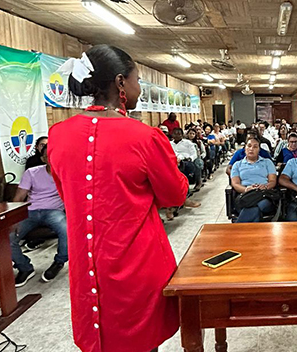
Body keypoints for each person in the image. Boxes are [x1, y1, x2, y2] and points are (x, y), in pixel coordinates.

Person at [48, 45, 188, 352]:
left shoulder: (58, 135)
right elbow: (174, 194)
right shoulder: (144, 136)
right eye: (138, 80)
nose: (139, 88)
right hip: (136, 263)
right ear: (121, 83)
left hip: (88, 269)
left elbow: (68, 194)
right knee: (140, 342)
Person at [11, 144, 68, 286]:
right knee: (6, 237)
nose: (52, 159)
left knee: (66, 230)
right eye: (48, 156)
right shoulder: (32, 172)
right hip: (30, 211)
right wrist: (13, 220)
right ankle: (24, 268)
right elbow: (18, 198)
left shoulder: (66, 173)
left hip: (54, 212)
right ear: (43, 159)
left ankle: (59, 261)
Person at [230, 137, 278, 222]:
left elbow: (272, 181)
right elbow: (235, 184)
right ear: (245, 148)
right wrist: (246, 189)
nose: (251, 149)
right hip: (245, 195)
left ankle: (239, 231)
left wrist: (265, 187)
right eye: (249, 146)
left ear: (259, 149)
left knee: (259, 205)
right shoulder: (237, 165)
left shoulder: (267, 162)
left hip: (263, 194)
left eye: (255, 146)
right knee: (255, 208)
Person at [170, 128, 201, 215]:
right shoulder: (169, 144)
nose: (177, 136)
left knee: (181, 172)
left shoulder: (188, 143)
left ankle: (183, 196)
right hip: (173, 163)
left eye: (179, 134)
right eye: (175, 134)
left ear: (182, 135)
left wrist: (188, 158)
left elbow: (193, 154)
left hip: (186, 162)